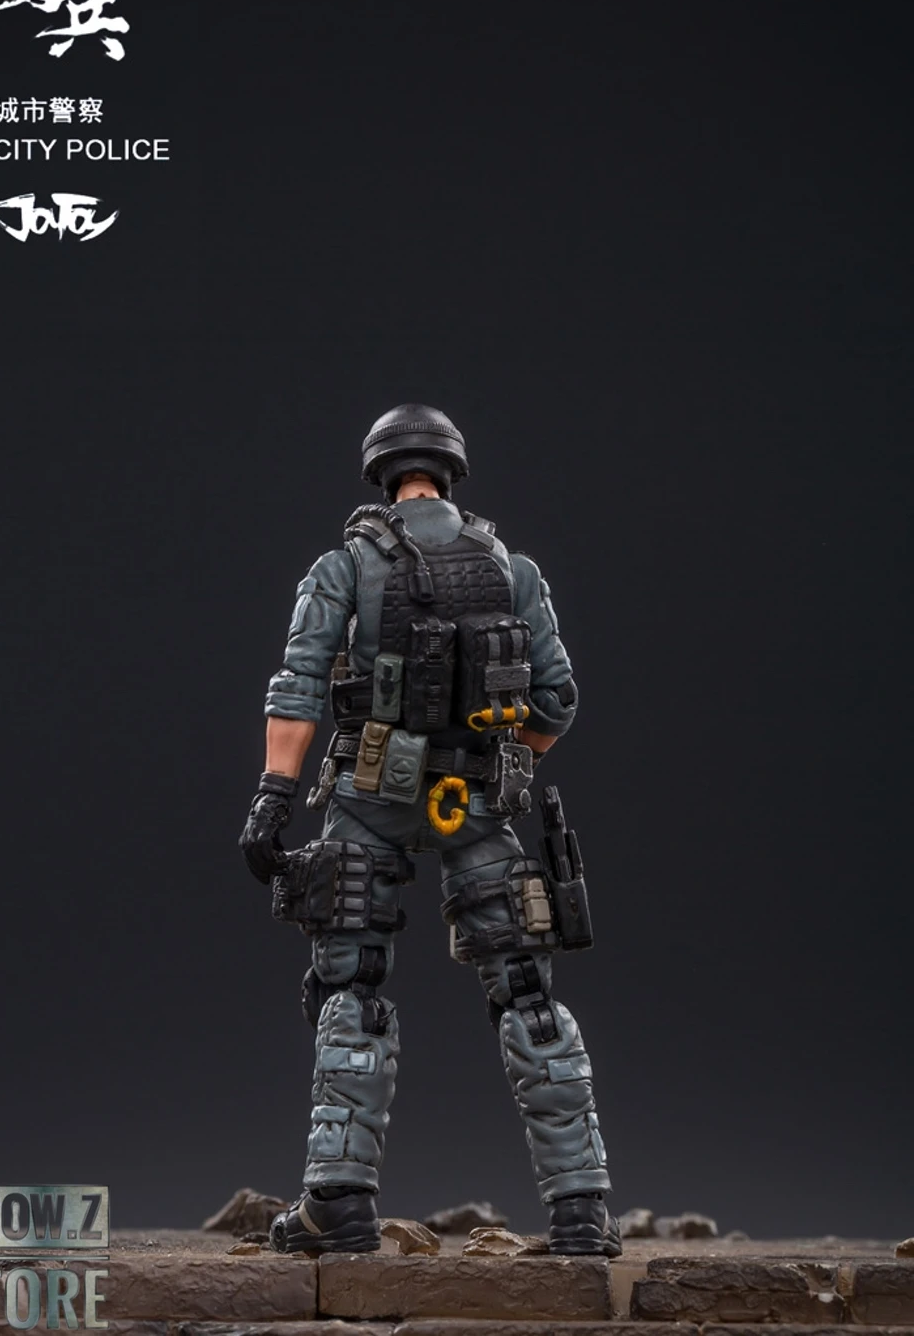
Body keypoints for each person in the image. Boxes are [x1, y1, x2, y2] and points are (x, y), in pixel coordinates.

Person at [239, 403, 621, 1258]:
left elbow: (298, 687)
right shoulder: (513, 568)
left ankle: (338, 1203)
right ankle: (581, 1211)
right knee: (526, 992)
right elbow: (558, 700)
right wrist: (503, 759)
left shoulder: (343, 567)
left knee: (350, 986)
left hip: (369, 794)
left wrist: (272, 796)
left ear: (382, 477)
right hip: (476, 798)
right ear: (451, 474)